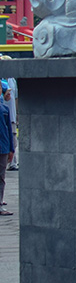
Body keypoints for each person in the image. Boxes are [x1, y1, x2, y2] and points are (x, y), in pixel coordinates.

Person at [0, 81, 13, 216]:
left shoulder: (4, 109)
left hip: (3, 147)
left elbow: (9, 130)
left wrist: (11, 149)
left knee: (1, 177)